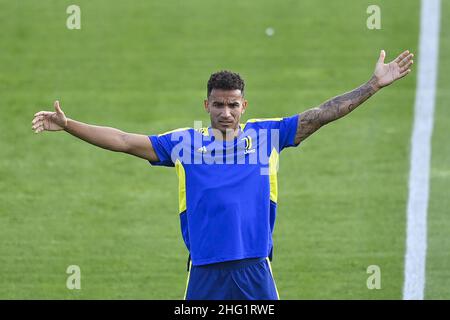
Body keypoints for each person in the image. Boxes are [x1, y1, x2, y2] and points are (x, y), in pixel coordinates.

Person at [31, 50, 414, 300]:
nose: (226, 112)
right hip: (204, 271)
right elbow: (123, 140)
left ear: (244, 105)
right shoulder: (182, 143)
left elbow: (324, 112)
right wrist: (69, 125)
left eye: (233, 105)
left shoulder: (268, 135)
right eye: (218, 104)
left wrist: (373, 85)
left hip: (254, 268)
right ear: (207, 105)